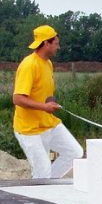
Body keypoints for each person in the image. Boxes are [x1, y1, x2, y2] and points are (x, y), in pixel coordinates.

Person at [13, 25, 83, 179]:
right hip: (29, 129)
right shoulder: (29, 65)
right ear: (46, 43)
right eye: (56, 43)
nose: (58, 47)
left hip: (48, 123)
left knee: (75, 152)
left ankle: (48, 183)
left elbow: (42, 92)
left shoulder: (48, 64)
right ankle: (41, 193)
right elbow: (17, 98)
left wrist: (49, 103)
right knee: (42, 170)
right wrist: (44, 106)